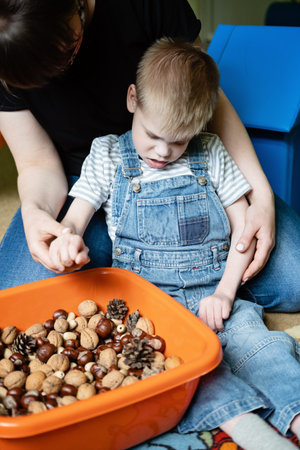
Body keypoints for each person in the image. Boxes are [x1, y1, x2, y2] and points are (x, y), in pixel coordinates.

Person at [47, 37, 300, 450]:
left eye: (180, 141)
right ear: (133, 99)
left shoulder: (212, 153)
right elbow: (74, 220)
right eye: (154, 135)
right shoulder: (107, 155)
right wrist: (67, 242)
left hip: (216, 295)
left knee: (262, 346)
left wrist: (225, 291)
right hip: (149, 307)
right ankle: (251, 433)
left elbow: (243, 231)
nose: (163, 152)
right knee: (180, 372)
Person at [0, 0, 300, 315]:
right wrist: (37, 214)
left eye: (65, 53)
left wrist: (260, 194)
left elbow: (205, 95)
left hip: (186, 171)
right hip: (79, 183)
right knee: (19, 305)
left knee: (292, 278)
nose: (62, 74)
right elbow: (37, 162)